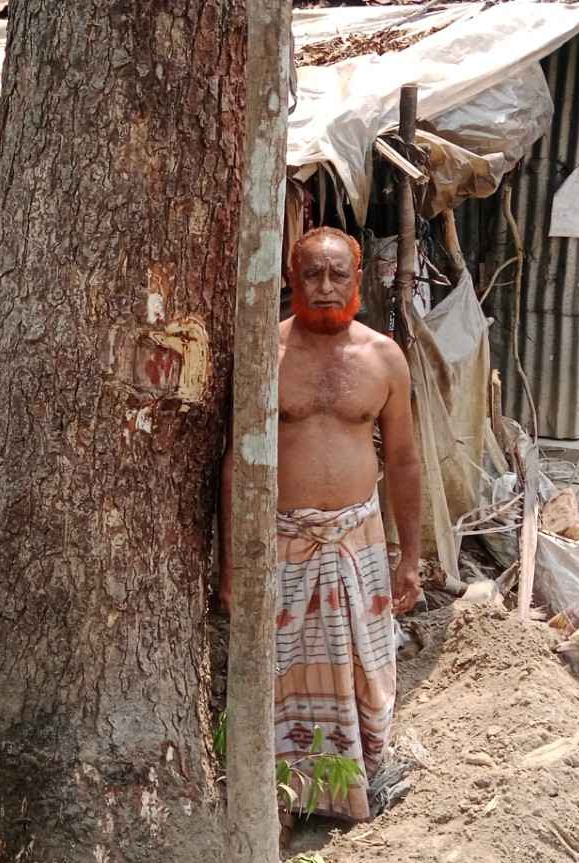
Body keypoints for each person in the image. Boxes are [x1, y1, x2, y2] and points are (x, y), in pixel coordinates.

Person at [219, 227, 421, 824]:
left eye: (338, 274)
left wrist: (409, 555)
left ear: (358, 279)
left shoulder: (384, 357)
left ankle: (362, 779)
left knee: (367, 673)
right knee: (281, 678)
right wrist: (230, 566)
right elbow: (234, 459)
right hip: (282, 545)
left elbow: (404, 458)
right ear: (291, 278)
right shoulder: (264, 354)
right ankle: (288, 797)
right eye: (312, 273)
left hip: (358, 544)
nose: (326, 286)